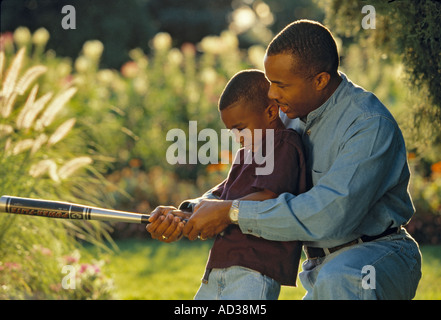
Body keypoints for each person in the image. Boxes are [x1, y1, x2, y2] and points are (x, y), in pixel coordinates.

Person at [148, 19, 422, 300]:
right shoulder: (283, 117)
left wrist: (230, 212)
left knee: (339, 278)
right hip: (321, 268)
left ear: (320, 80)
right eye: (270, 83)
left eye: (281, 85)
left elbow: (330, 215)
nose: (271, 94)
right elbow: (245, 185)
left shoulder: (368, 125)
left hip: (376, 257)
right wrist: (190, 211)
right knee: (332, 277)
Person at [154, 69, 308, 299]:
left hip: (253, 272)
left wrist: (223, 211)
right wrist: (184, 215)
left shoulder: (282, 144)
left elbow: (269, 198)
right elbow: (220, 200)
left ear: (270, 112)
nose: (237, 137)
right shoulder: (248, 153)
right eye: (231, 131)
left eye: (240, 127)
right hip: (218, 268)